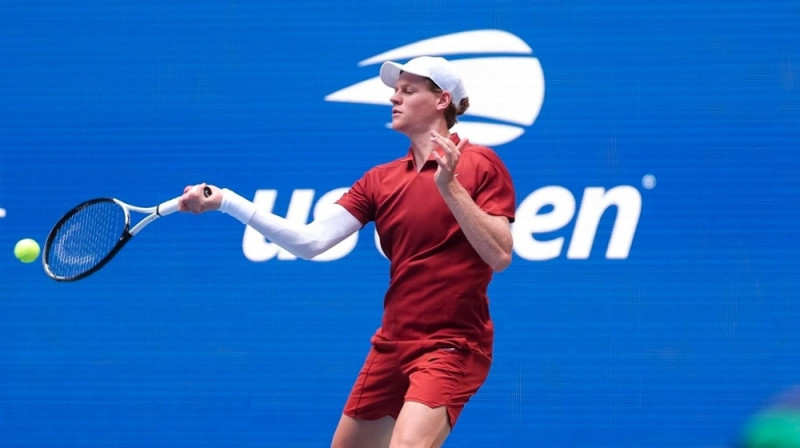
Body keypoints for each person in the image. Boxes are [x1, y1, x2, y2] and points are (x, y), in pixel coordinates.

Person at [178, 56, 516, 448]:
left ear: (442, 101)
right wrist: (227, 201)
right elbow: (311, 242)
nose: (395, 98)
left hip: (451, 343)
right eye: (395, 91)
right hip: (392, 344)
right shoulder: (380, 180)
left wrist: (450, 188)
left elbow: (500, 255)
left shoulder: (481, 164)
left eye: (408, 91)